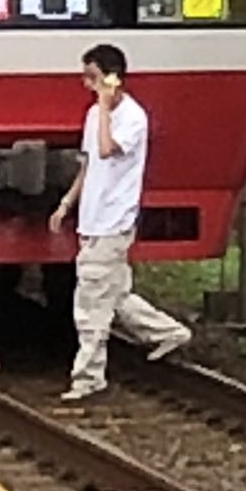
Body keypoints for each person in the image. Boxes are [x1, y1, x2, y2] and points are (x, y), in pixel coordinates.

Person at [48, 43, 191, 401]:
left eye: (93, 77)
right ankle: (168, 332)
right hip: (93, 217)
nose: (88, 85)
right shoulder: (94, 115)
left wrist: (104, 106)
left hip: (114, 218)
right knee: (116, 295)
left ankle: (87, 376)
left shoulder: (132, 118)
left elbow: (108, 149)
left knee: (91, 300)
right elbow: (89, 163)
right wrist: (67, 203)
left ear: (113, 78)